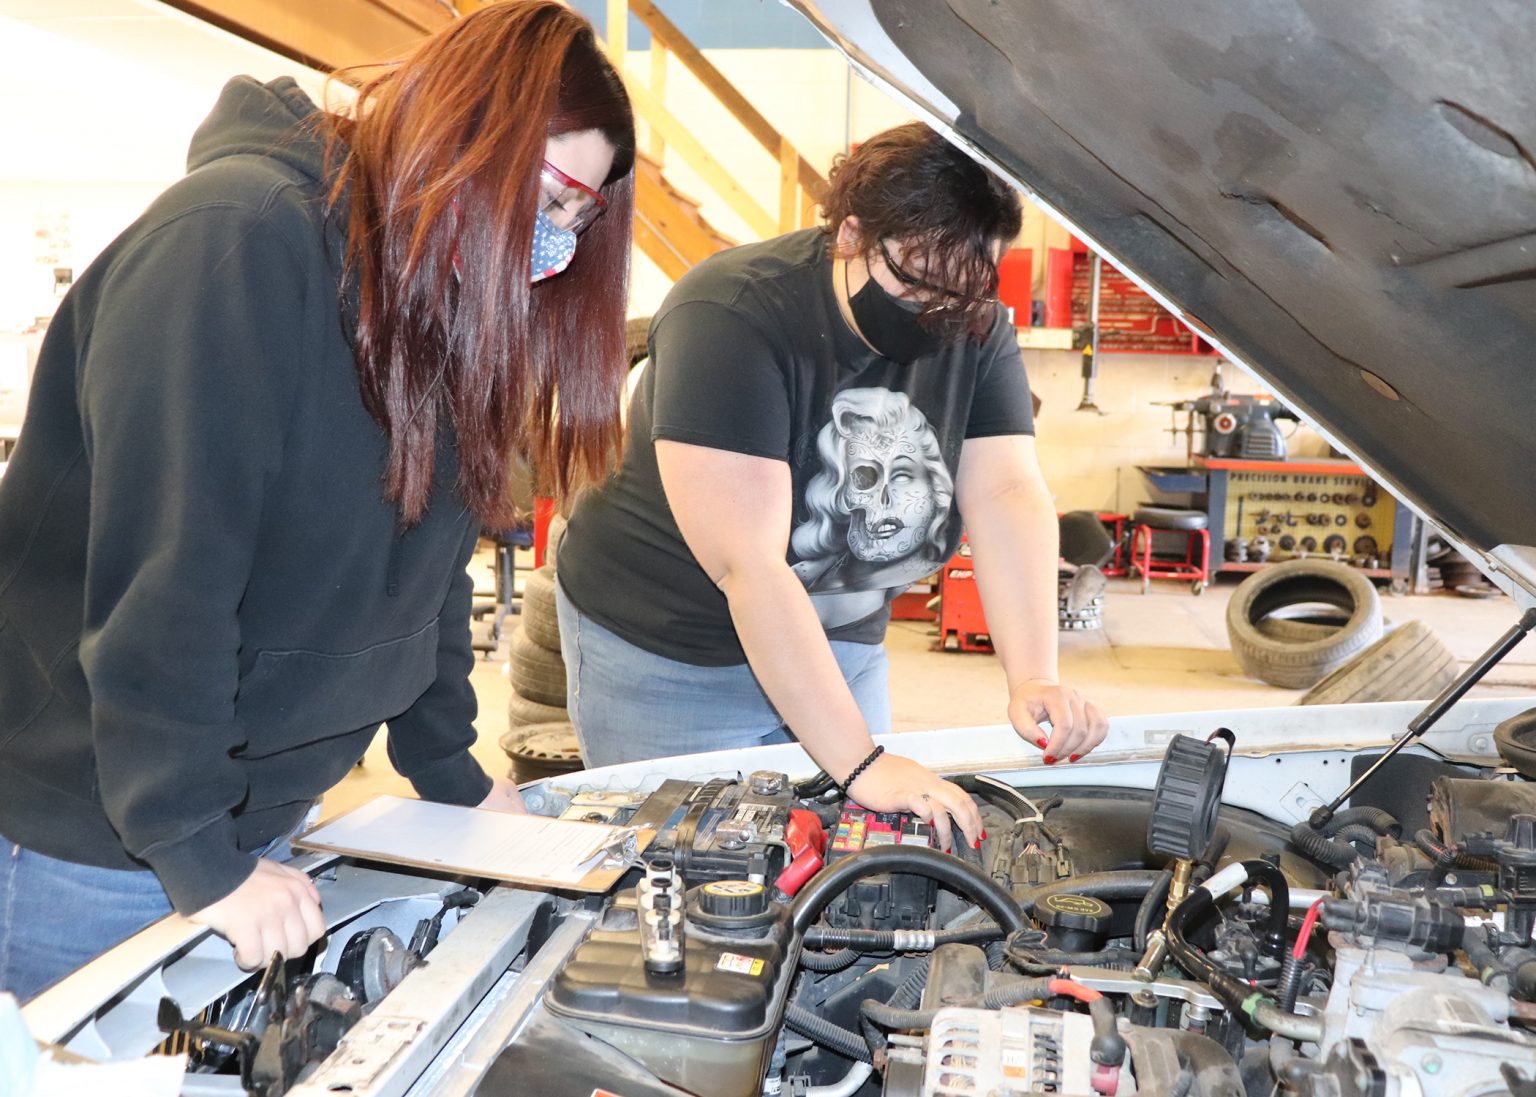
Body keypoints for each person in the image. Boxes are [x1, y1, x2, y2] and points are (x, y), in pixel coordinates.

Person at [0, 1, 634, 1002]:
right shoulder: (235, 242)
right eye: (548, 198)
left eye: (577, 220)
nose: (552, 242)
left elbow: (423, 572)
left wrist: (453, 774)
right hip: (99, 833)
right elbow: (169, 583)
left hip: (255, 820)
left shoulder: (435, 299)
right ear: (464, 132)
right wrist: (196, 846)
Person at [556, 123, 1106, 852]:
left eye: (964, 290)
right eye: (916, 279)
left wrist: (1033, 674)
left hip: (836, 639)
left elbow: (1006, 492)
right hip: (672, 653)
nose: (939, 310)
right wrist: (862, 763)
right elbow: (750, 567)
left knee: (850, 861)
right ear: (851, 235)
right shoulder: (730, 313)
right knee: (685, 869)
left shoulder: (976, 325)